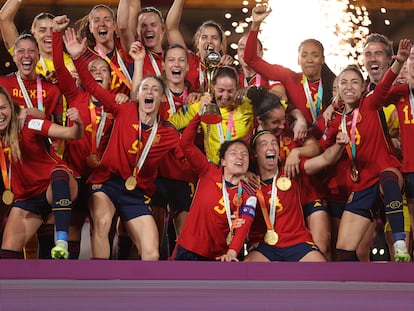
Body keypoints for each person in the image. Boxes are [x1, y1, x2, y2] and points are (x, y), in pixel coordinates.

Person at [63, 27, 181, 260]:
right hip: (106, 183)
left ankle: (145, 295)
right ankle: (101, 284)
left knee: (151, 251)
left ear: (160, 98)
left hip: (136, 192)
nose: (149, 92)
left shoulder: (168, 132)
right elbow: (94, 86)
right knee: (102, 222)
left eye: (155, 89)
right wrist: (77, 56)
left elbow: (185, 157)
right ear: (139, 95)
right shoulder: (123, 109)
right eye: (145, 88)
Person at [321, 38, 412, 262]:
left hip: (385, 171)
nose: (349, 86)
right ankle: (352, 295)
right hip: (361, 184)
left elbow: (385, 85)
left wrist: (399, 62)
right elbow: (321, 149)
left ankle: (400, 244)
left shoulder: (370, 102)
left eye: (354, 82)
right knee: (343, 250)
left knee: (389, 181)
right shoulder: (335, 120)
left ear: (363, 88)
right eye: (343, 82)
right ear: (337, 89)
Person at [52, 15, 117, 259]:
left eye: (104, 71)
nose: (98, 73)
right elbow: (59, 67)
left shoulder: (116, 108)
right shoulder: (76, 96)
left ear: (111, 81)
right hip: (74, 174)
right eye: (93, 70)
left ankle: (103, 280)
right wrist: (56, 35)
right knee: (73, 231)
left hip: (102, 179)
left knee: (103, 228)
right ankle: (64, 287)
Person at [246, 86, 332, 260]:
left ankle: (325, 282)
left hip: (306, 193)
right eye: (275, 122)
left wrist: (297, 152)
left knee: (322, 244)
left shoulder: (291, 130)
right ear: (260, 121)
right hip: (274, 203)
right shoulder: (251, 143)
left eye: (283, 119)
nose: (282, 125)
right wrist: (245, 173)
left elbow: (315, 147)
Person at [0, 85, 83, 259]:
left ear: (10, 105)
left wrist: (78, 124)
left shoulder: (29, 124)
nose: (0, 114)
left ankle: (62, 241)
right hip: (27, 198)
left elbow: (72, 134)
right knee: (7, 255)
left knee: (58, 175)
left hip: (54, 188)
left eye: (3, 108)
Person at [0, 32, 64, 258]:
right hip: (5, 165)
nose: (26, 56)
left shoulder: (52, 90)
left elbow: (58, 128)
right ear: (14, 56)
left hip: (35, 165)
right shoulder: (2, 83)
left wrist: (34, 114)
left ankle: (46, 278)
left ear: (38, 56)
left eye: (31, 51)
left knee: (43, 223)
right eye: (21, 51)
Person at [244, 129, 348, 262]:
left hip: (297, 242)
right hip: (264, 246)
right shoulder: (248, 181)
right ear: (255, 153)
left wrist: (339, 145)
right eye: (264, 144)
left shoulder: (290, 170)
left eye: (274, 143)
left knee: (322, 271)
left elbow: (325, 159)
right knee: (248, 269)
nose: (270, 147)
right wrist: (242, 174)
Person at [174, 103, 256, 261]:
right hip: (188, 250)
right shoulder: (208, 171)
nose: (240, 156)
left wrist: (232, 252)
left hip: (221, 257)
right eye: (234, 153)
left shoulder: (249, 193)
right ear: (223, 161)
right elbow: (185, 144)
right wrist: (199, 116)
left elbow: (245, 224)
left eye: (244, 154)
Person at [244, 4, 336, 140]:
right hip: (299, 143)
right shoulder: (289, 77)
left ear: (322, 59)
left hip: (329, 143)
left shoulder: (335, 83)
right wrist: (255, 25)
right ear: (298, 60)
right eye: (304, 55)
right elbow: (251, 59)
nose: (309, 59)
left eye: (315, 55)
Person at [169, 66, 254, 164]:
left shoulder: (247, 106)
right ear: (213, 86)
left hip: (241, 170)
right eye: (221, 90)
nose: (225, 96)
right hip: (213, 171)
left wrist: (254, 90)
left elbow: (272, 107)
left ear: (237, 88)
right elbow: (169, 126)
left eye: (230, 91)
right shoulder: (202, 105)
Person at [165, 0, 234, 92]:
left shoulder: (226, 67)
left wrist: (227, 70)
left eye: (214, 38)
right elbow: (171, 28)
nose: (209, 41)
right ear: (197, 44)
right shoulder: (188, 60)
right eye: (204, 37)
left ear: (221, 45)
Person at [0, 0, 76, 79]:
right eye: (42, 30)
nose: (49, 34)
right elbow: (4, 18)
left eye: (53, 29)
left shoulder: (72, 60)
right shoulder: (25, 55)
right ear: (33, 33)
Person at [77, 4, 133, 96]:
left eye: (107, 20)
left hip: (124, 107)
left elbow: (124, 25)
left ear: (115, 26)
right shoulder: (84, 59)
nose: (102, 24)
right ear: (91, 28)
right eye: (96, 20)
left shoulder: (124, 47)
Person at [117, 0, 165, 79]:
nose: (148, 29)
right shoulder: (136, 52)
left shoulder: (171, 57)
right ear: (137, 30)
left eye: (153, 25)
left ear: (162, 29)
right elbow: (122, 26)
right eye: (143, 26)